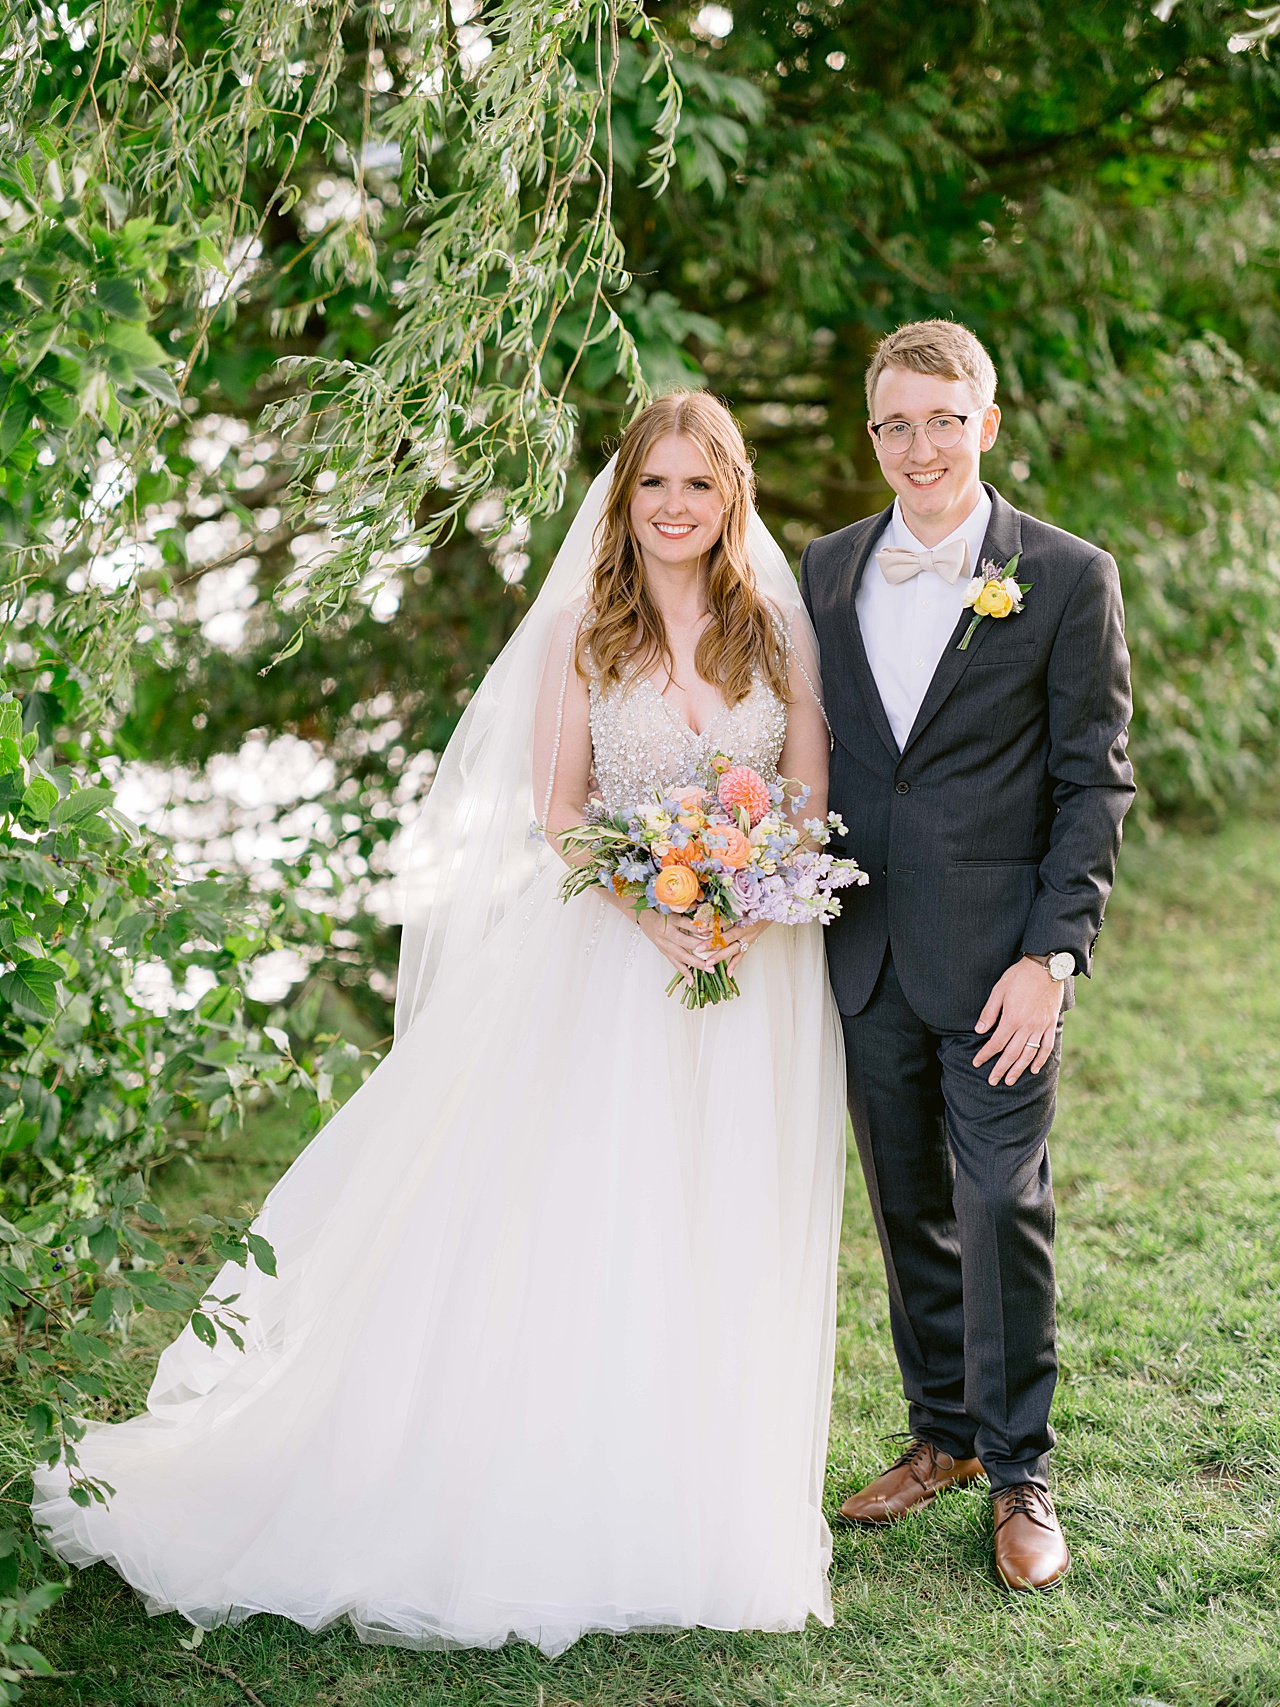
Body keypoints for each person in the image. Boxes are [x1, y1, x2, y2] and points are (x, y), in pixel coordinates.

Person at [33, 393, 848, 1655]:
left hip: (753, 966)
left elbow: (805, 787)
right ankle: (548, 1486)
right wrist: (651, 905)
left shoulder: (777, 633)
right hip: (611, 961)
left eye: (697, 487)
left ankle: (696, 1497)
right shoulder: (587, 629)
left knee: (718, 1212)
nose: (675, 510)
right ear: (622, 501)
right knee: (591, 1213)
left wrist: (751, 890)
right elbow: (559, 809)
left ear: (730, 495)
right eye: (652, 488)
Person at [800, 320, 1135, 1591]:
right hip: (863, 952)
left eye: (944, 419)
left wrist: (1050, 956)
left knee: (1001, 1206)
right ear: (871, 433)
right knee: (905, 1214)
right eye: (895, 422)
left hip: (1000, 964)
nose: (919, 445)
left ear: (985, 424)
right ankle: (936, 1435)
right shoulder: (824, 572)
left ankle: (1018, 1472)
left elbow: (1091, 782)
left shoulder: (1062, 575)